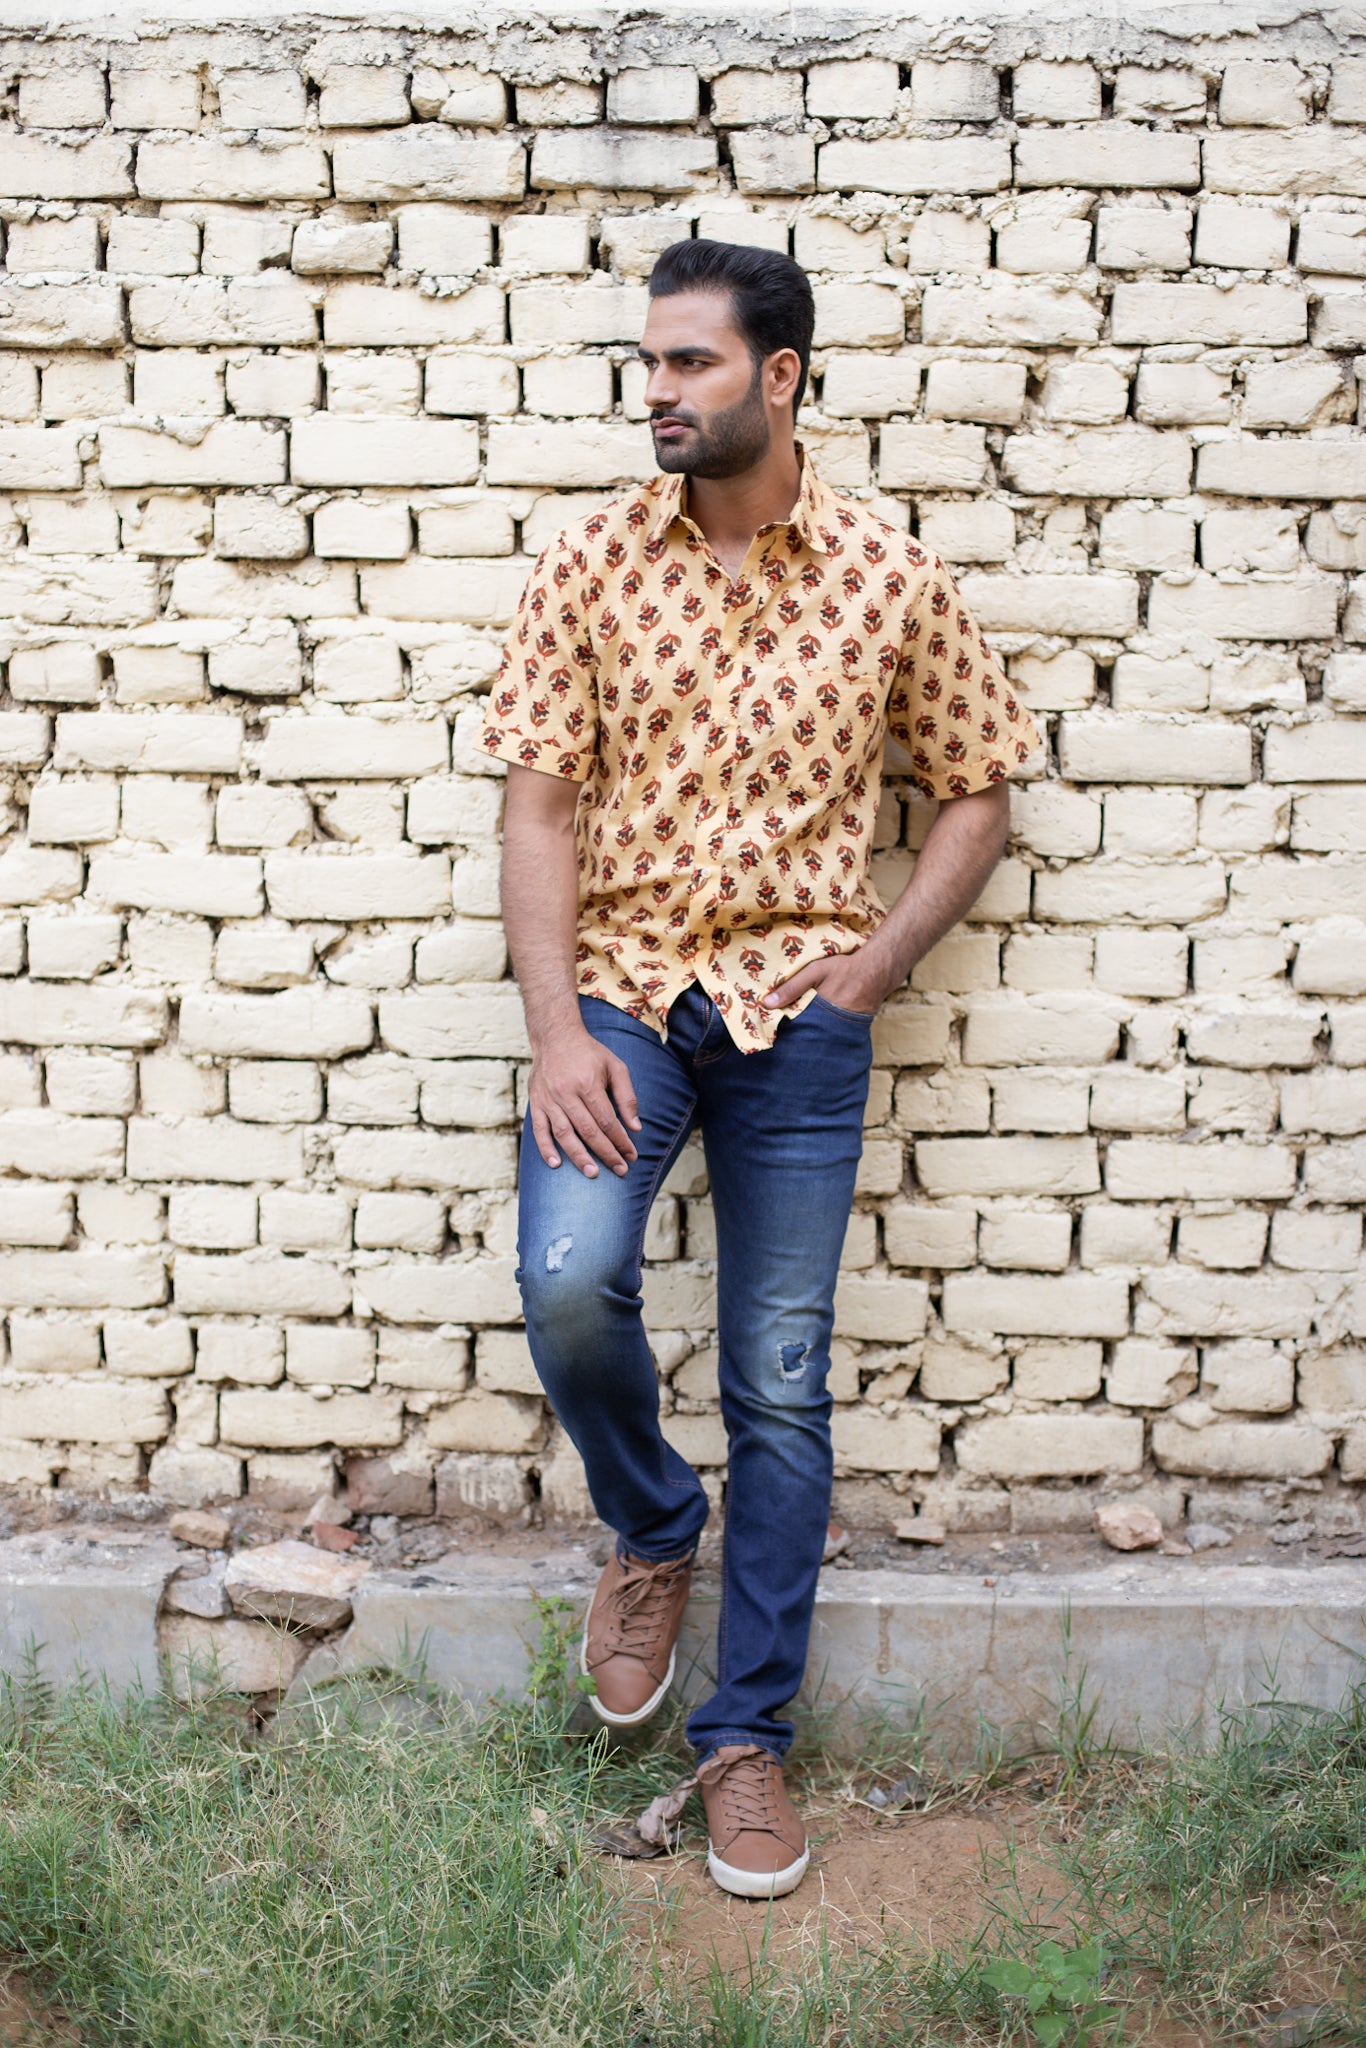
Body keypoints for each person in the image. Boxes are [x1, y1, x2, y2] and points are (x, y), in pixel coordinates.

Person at [477, 237, 1041, 1898]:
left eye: (690, 366)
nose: (656, 392)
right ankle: (654, 1530)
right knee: (571, 1281)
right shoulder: (586, 563)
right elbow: (539, 808)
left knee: (778, 1383)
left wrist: (875, 963)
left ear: (779, 376)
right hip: (627, 1008)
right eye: (647, 364)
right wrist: (555, 1029)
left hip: (796, 1023)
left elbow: (978, 786)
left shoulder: (886, 575)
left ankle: (747, 1743)